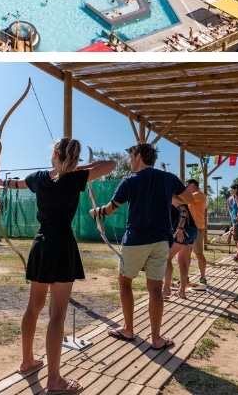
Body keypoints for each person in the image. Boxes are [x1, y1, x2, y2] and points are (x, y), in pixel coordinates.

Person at [0, 137, 117, 395]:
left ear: (55, 153)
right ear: (70, 157)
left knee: (33, 308)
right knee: (56, 315)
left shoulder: (39, 178)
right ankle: (55, 379)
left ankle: (27, 361)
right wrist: (77, 167)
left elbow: (8, 183)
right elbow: (110, 164)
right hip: (61, 245)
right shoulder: (74, 179)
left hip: (42, 242)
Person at [91, 143, 193, 351]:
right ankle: (156, 338)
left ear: (138, 156)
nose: (129, 160)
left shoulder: (130, 181)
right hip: (161, 240)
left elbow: (109, 210)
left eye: (131, 156)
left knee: (125, 282)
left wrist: (96, 212)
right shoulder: (167, 178)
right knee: (155, 288)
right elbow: (189, 198)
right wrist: (168, 195)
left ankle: (129, 329)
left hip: (137, 238)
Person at [163, 197, 199, 300]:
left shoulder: (173, 197)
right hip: (192, 231)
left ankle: (166, 289)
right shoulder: (177, 197)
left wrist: (180, 228)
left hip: (185, 230)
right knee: (181, 259)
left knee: (167, 258)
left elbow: (183, 212)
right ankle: (182, 291)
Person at [183, 179, 209, 287]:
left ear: (193, 185)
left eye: (187, 185)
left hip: (197, 228)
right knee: (186, 254)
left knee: (198, 254)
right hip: (190, 228)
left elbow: (184, 199)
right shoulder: (192, 196)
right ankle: (185, 277)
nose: (186, 187)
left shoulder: (199, 194)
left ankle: (203, 277)